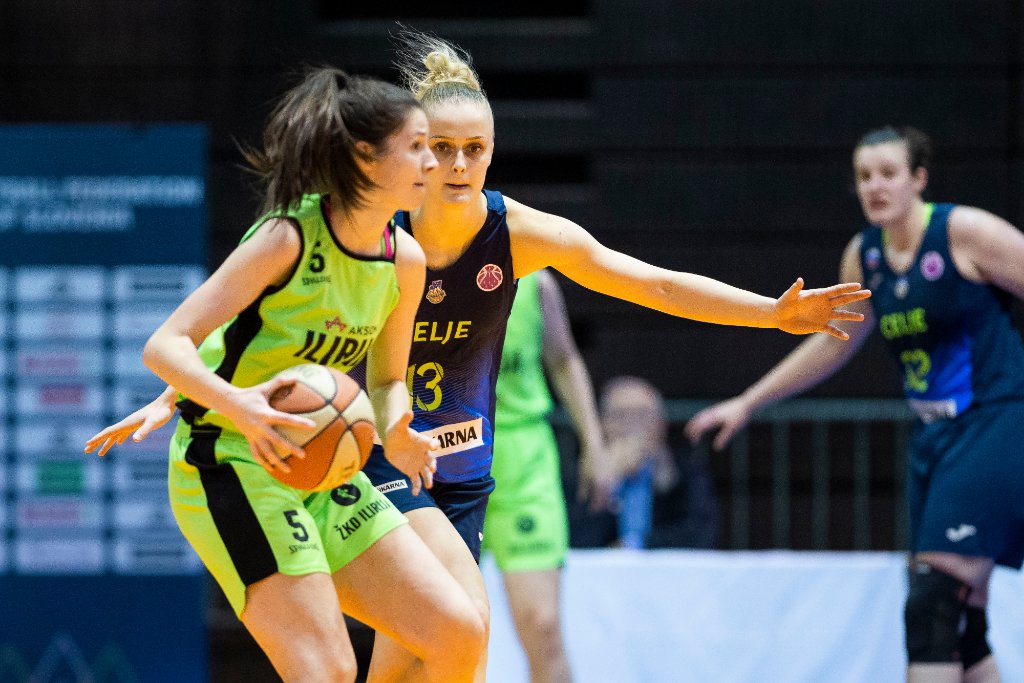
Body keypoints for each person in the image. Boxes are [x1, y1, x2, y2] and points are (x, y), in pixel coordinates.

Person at [90, 32, 870, 682]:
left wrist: (770, 313)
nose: (455, 166)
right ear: (407, 155)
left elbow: (653, 283)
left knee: (437, 652)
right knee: (449, 630)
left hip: (451, 464)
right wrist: (189, 396)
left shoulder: (496, 236)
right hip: (364, 457)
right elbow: (248, 330)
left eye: (475, 150)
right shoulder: (344, 232)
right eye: (439, 149)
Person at [85, 66, 486, 683]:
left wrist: (399, 427)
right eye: (417, 147)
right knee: (326, 669)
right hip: (233, 459)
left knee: (457, 633)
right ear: (365, 158)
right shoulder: (288, 237)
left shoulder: (403, 259)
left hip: (320, 467)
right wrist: (228, 402)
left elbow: (385, 380)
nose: (433, 164)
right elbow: (166, 343)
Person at [685, 126, 1024, 683]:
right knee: (963, 622)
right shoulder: (864, 255)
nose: (874, 186)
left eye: (888, 173)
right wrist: (748, 402)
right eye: (864, 176)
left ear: (919, 179)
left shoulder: (964, 232)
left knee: (933, 600)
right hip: (934, 438)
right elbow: (833, 341)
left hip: (994, 424)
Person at [481, 269, 612, 683]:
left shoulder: (535, 280)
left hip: (522, 459)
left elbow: (564, 358)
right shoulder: (409, 260)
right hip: (439, 456)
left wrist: (594, 442)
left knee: (542, 625)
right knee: (432, 632)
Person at [600, 375, 718, 550]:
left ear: (661, 424)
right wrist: (608, 484)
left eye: (642, 415)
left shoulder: (686, 473)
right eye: (620, 416)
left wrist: (636, 546)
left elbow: (700, 534)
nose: (632, 425)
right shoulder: (581, 477)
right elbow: (576, 538)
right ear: (603, 425)